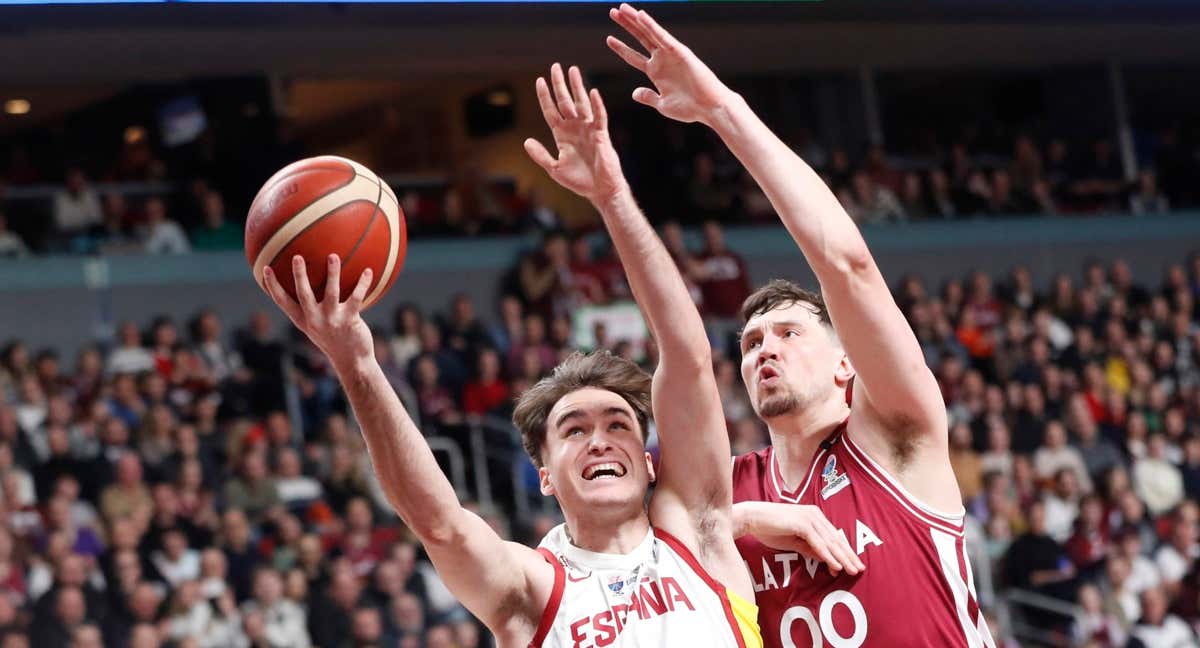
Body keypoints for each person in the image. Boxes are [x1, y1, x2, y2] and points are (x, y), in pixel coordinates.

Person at [258, 63, 792, 640]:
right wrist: (356, 362)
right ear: (543, 477)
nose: (599, 440)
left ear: (649, 461)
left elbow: (685, 355)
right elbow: (439, 523)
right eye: (574, 430)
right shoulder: (532, 587)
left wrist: (611, 196)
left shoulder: (699, 531)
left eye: (618, 424)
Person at [608, 4, 992, 646]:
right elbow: (624, 542)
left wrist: (721, 111)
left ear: (846, 362)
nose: (765, 350)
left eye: (789, 333)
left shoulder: (894, 437)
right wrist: (748, 517)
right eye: (753, 341)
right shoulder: (727, 487)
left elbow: (848, 266)